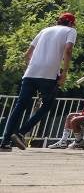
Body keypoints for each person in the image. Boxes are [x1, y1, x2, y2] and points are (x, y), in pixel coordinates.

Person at [1, 12, 76, 150]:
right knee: (47, 105)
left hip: (31, 72)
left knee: (20, 106)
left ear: (58, 21)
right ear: (71, 23)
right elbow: (68, 50)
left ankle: (4, 142)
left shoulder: (44, 30)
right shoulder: (71, 31)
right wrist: (64, 73)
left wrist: (31, 67)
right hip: (48, 74)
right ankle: (21, 132)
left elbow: (27, 54)